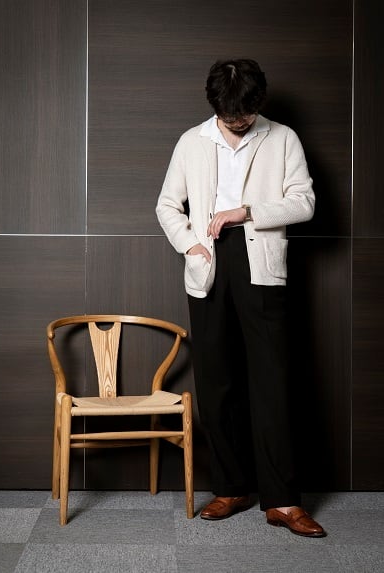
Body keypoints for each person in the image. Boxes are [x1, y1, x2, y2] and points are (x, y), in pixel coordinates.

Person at [156, 59, 325, 537]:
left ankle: (283, 500)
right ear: (215, 106)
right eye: (229, 115)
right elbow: (167, 205)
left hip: (261, 263)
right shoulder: (191, 142)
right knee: (216, 381)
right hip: (208, 264)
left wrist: (246, 211)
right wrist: (190, 244)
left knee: (272, 382)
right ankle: (230, 487)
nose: (237, 122)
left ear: (258, 104)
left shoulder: (283, 138)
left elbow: (305, 202)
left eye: (245, 115)